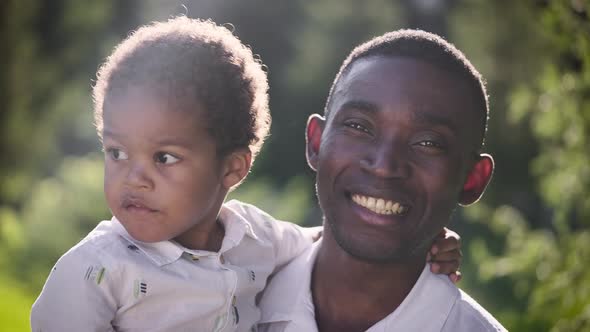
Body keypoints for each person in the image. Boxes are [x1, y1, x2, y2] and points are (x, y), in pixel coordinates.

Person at [30, 18, 462, 332]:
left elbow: (322, 239)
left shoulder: (254, 239)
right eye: (116, 151)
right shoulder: (96, 271)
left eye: (164, 158)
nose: (134, 178)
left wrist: (421, 246)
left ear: (232, 168)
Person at [258, 30, 507, 332]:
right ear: (316, 143)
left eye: (428, 143)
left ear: (472, 179)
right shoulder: (228, 292)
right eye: (358, 126)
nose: (384, 166)